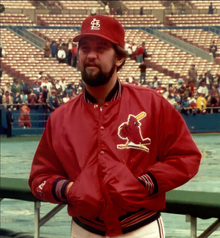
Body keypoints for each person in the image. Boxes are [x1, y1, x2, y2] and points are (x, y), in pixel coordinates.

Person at [29, 15, 201, 238]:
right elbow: (39, 178)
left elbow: (186, 157)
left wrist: (145, 183)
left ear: (119, 58)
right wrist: (68, 189)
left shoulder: (152, 104)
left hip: (141, 228)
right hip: (84, 230)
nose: (91, 55)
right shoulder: (59, 117)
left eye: (101, 48)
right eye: (84, 48)